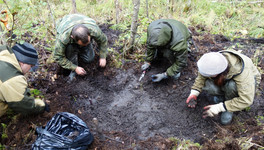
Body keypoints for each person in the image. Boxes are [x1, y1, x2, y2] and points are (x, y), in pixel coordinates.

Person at [186, 49, 261, 125]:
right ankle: (222, 99)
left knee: (231, 86)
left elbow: (247, 100)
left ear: (218, 72)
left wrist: (220, 107)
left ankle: (229, 106)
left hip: (244, 86)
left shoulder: (242, 72)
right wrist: (194, 93)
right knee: (209, 85)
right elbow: (202, 76)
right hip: (224, 79)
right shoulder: (212, 62)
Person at [52, 14, 108, 81]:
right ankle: (73, 70)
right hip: (66, 26)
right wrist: (75, 68)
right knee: (70, 48)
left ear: (89, 34)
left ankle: (84, 47)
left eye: (87, 42)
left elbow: (103, 41)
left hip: (82, 21)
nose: (85, 45)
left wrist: (103, 57)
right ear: (72, 38)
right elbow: (58, 56)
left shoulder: (93, 30)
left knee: (90, 59)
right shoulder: (64, 38)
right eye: (83, 44)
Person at [0, 42, 49, 117]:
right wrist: (42, 105)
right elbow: (23, 105)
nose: (30, 70)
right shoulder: (12, 78)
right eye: (31, 66)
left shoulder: (3, 52)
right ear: (22, 63)